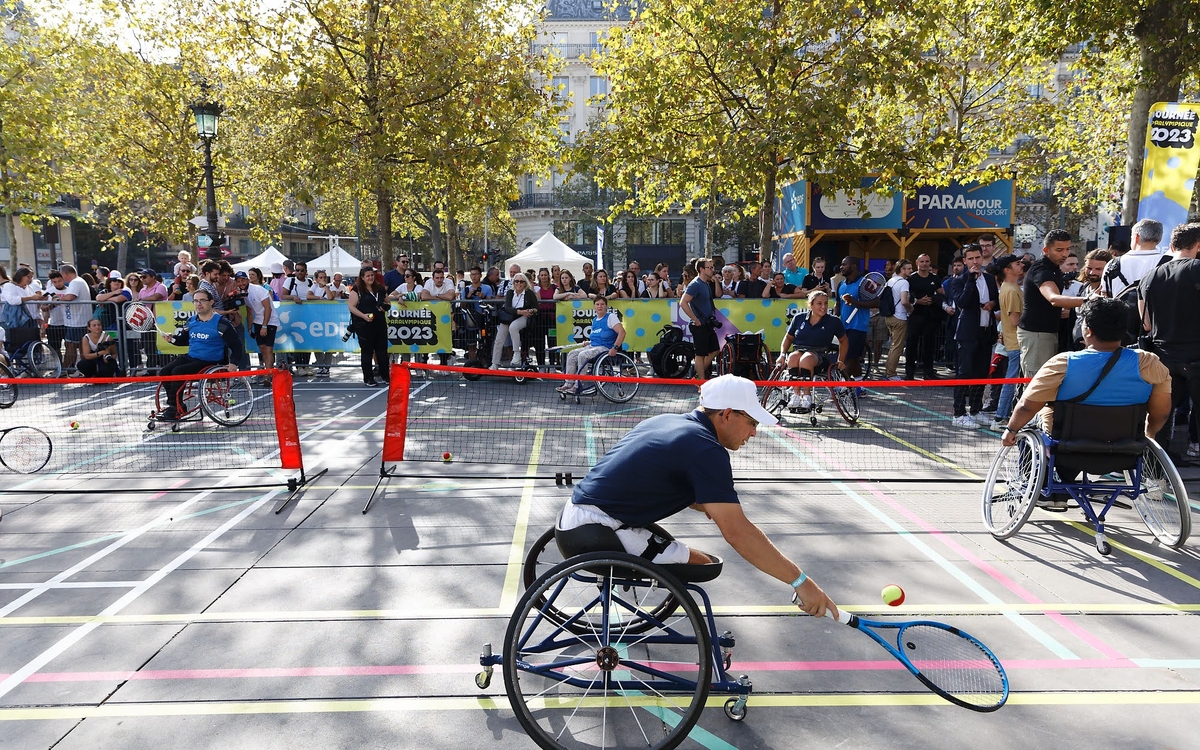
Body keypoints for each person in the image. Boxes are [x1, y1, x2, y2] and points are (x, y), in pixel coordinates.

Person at [556, 373, 838, 616]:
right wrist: (801, 582)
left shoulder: (669, 422)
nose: (754, 433)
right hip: (599, 533)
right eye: (752, 423)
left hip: (575, 520)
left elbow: (678, 491)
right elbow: (737, 533)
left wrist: (723, 509)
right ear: (727, 414)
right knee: (706, 565)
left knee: (694, 556)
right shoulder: (705, 449)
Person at [1001, 296, 1171, 510]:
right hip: (1125, 447)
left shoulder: (1062, 363)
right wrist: (1149, 436)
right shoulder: (1149, 363)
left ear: (1088, 330)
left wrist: (1011, 430)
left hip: (1069, 447)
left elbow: (1027, 405)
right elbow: (1161, 413)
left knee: (1035, 420)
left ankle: (1045, 486)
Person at [1138, 222, 1200, 460]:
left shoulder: (1150, 276)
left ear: (1172, 246)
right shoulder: (1197, 269)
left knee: (1160, 415)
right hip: (1196, 355)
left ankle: (1156, 467)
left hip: (1163, 356)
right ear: (1198, 245)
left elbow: (1146, 324)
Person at [156, 291, 243, 420]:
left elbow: (237, 345)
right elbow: (183, 340)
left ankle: (174, 408)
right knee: (164, 372)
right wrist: (172, 339)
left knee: (177, 371)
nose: (199, 304)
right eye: (196, 301)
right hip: (191, 357)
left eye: (202, 300)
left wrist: (234, 363)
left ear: (211, 302)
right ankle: (177, 405)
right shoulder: (191, 321)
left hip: (210, 361)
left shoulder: (222, 323)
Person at [1017, 230, 1085, 378]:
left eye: (1068, 249)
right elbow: (1054, 298)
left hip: (1047, 332)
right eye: (1059, 250)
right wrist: (1088, 300)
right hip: (1037, 334)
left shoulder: (1053, 268)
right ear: (1046, 250)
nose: (1065, 254)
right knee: (1036, 382)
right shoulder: (1042, 270)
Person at [948, 244, 999, 428]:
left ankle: (976, 410)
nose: (975, 261)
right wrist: (970, 279)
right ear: (965, 261)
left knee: (981, 373)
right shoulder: (959, 280)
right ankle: (958, 413)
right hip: (967, 333)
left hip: (986, 331)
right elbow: (962, 302)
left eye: (977, 257)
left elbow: (997, 300)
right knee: (964, 373)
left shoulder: (990, 278)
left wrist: (993, 302)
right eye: (971, 259)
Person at [775, 290, 848, 410]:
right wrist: (782, 354)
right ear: (811, 305)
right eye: (819, 303)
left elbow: (844, 341)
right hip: (799, 350)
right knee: (792, 357)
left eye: (826, 303)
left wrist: (841, 360)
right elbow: (788, 337)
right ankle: (796, 394)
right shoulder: (799, 318)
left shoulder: (834, 321)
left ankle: (807, 395)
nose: (823, 307)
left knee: (806, 358)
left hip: (821, 355)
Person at [557, 297, 626, 394]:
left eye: (602, 304)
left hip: (605, 348)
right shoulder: (595, 320)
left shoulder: (610, 317)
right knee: (572, 354)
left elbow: (622, 333)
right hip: (593, 346)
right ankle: (568, 383)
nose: (600, 306)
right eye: (597, 304)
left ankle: (578, 385)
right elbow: (598, 336)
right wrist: (589, 342)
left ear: (606, 306)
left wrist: (615, 348)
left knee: (583, 355)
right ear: (594, 307)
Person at [991, 254, 1025, 430]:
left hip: (1013, 341)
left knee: (1012, 379)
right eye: (1017, 263)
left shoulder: (1011, 288)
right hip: (1016, 342)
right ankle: (999, 417)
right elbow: (1014, 321)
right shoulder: (1011, 290)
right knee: (1011, 380)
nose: (1021, 265)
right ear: (1007, 269)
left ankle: (1001, 416)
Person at [1102, 218, 1165, 299]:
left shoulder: (1112, 264)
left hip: (1118, 310)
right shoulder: (1169, 264)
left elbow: (1104, 295)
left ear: (1136, 237)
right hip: (1153, 311)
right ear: (1159, 240)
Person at [348, 266, 390, 386]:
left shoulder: (380, 288)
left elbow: (388, 302)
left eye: (372, 275)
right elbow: (351, 306)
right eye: (368, 276)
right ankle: (368, 378)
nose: (370, 277)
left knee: (382, 351)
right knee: (367, 352)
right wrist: (363, 316)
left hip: (380, 324)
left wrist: (384, 306)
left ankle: (385, 376)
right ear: (362, 277)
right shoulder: (357, 290)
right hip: (364, 325)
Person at [679, 257, 719, 381]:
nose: (712, 270)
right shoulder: (695, 284)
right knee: (700, 354)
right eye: (710, 267)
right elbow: (683, 302)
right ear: (701, 269)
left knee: (715, 350)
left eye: (712, 267)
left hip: (707, 323)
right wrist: (695, 319)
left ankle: (697, 376)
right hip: (699, 325)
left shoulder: (705, 284)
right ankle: (701, 382)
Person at [835, 256, 875, 380]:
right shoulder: (841, 284)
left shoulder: (865, 283)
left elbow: (877, 303)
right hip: (844, 326)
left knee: (849, 357)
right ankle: (859, 385)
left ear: (854, 266)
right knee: (853, 358)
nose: (841, 267)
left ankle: (842, 385)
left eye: (844, 264)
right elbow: (838, 304)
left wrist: (855, 302)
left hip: (858, 326)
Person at [903, 254, 943, 379]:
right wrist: (917, 301)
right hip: (915, 315)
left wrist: (933, 300)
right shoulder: (911, 279)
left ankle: (928, 373)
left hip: (930, 316)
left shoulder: (935, 279)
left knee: (929, 345)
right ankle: (909, 373)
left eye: (927, 261)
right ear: (917, 263)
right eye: (922, 261)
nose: (924, 264)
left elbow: (942, 294)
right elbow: (905, 297)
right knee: (911, 345)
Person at [491, 273, 537, 369]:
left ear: (525, 283)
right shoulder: (510, 292)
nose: (518, 283)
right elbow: (507, 307)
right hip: (511, 316)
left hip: (524, 317)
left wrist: (530, 311)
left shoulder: (529, 293)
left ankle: (516, 355)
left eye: (521, 281)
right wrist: (519, 311)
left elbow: (537, 307)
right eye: (516, 281)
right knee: (499, 339)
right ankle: (495, 363)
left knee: (513, 327)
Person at [238, 270, 278, 377]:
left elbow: (268, 308)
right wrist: (250, 327)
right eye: (238, 281)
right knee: (262, 349)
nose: (241, 283)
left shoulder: (258, 290)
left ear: (247, 280)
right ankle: (267, 371)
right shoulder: (242, 293)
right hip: (258, 321)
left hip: (270, 320)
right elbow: (249, 311)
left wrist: (264, 326)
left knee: (269, 349)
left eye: (243, 280)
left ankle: (267, 375)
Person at [0, 267, 45, 354]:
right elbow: (12, 300)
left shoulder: (29, 288)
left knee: (31, 344)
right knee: (16, 345)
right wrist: (31, 297)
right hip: (17, 322)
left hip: (31, 320)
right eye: (28, 277)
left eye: (31, 277)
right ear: (21, 276)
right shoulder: (9, 286)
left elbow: (34, 303)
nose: (30, 279)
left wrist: (41, 299)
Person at [58, 264, 92, 373]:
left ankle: (65, 369)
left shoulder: (76, 282)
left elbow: (70, 296)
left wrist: (57, 300)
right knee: (79, 346)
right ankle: (80, 369)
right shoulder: (78, 281)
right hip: (76, 320)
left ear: (65, 274)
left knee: (71, 346)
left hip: (78, 322)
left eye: (62, 275)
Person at [882, 258, 913, 380]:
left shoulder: (891, 281)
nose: (911, 270)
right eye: (909, 268)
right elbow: (905, 301)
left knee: (893, 346)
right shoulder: (904, 283)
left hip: (889, 316)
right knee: (897, 347)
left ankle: (889, 372)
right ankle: (891, 374)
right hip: (899, 316)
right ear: (902, 269)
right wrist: (911, 309)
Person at [41, 270, 67, 360]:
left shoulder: (69, 291)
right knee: (55, 348)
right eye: (54, 282)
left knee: (70, 346)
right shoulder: (49, 292)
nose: (58, 284)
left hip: (67, 323)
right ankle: (59, 365)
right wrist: (52, 305)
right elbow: (43, 308)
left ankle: (68, 366)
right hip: (54, 323)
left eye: (59, 281)